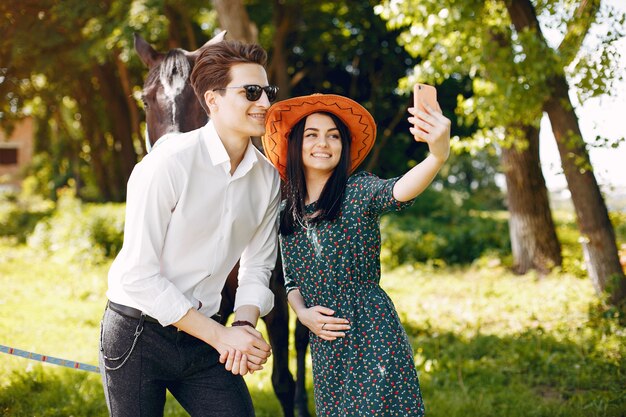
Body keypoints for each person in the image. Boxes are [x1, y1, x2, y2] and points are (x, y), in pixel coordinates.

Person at [99, 39, 281, 417]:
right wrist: (223, 337)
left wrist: (244, 325)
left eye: (267, 91)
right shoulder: (169, 163)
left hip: (206, 341)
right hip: (138, 334)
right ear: (212, 101)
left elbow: (257, 267)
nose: (264, 103)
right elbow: (137, 277)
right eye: (250, 92)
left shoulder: (268, 178)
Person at [262, 93, 450, 416]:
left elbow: (398, 191)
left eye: (333, 135)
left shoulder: (358, 191)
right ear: (295, 145)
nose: (323, 143)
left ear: (343, 146)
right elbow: (291, 281)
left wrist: (437, 156)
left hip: (372, 334)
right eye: (312, 135)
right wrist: (303, 314)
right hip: (327, 346)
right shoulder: (287, 214)